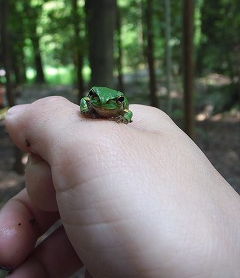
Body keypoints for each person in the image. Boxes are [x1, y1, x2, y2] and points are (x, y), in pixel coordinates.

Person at [1, 96, 240, 278]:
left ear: (120, 102)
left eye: (113, 101)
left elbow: (128, 114)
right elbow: (86, 101)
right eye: (96, 99)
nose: (103, 104)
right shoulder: (92, 102)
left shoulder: (122, 108)